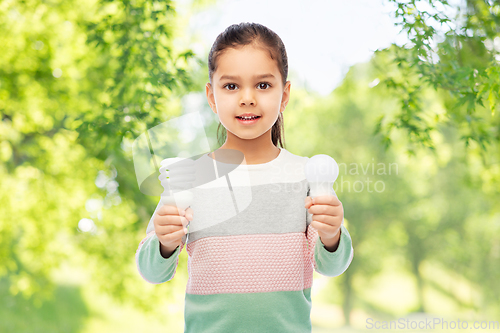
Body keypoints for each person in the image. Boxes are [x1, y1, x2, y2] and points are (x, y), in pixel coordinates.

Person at [136, 22, 354, 333]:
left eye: (263, 85)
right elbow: (152, 272)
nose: (247, 98)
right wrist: (164, 244)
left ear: (285, 93)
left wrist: (333, 236)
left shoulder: (307, 175)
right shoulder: (187, 178)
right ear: (211, 97)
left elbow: (332, 266)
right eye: (231, 86)